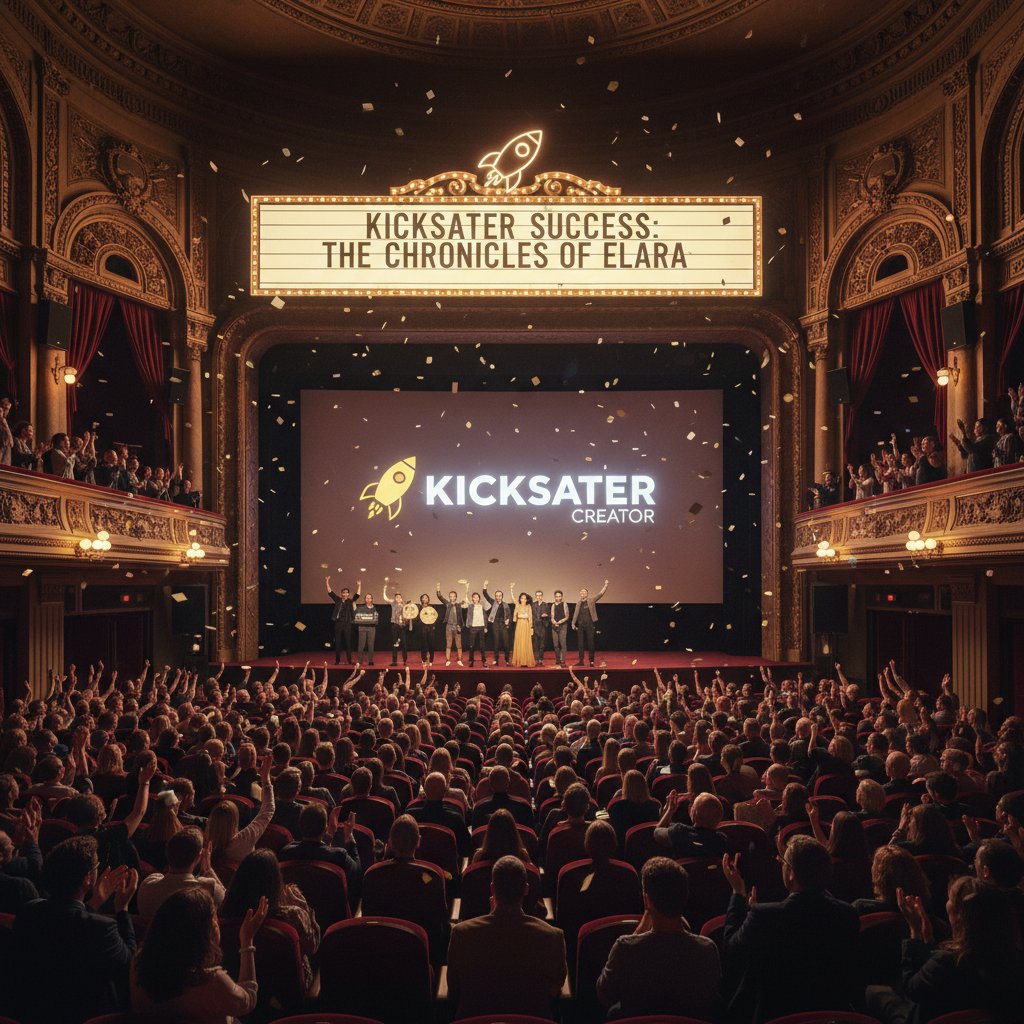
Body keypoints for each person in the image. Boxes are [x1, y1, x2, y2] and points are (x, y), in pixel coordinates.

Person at [722, 834, 860, 1023]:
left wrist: (738, 894)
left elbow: (731, 950)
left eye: (784, 863)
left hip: (773, 1013)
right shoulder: (848, 914)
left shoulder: (764, 916)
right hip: (830, 1013)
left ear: (792, 873)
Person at [13, 836, 139, 1024]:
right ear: (88, 878)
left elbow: (67, 922)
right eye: (96, 867)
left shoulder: (28, 911)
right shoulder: (102, 928)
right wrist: (122, 910)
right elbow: (130, 966)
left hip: (32, 1012)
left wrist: (94, 903)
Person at [866, 876, 1022, 1024]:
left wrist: (915, 932)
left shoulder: (947, 962)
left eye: (951, 899)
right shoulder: (1014, 959)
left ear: (959, 917)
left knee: (874, 992)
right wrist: (928, 939)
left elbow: (911, 988)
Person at [597, 856, 721, 1020]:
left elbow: (604, 995)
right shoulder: (707, 950)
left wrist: (637, 932)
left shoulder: (625, 948)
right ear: (685, 896)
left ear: (647, 900)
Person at [446, 855, 567, 1021]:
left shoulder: (461, 934)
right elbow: (555, 989)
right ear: (526, 889)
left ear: (492, 889)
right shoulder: (553, 937)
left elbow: (454, 989)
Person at [130, 887, 266, 1023]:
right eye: (214, 919)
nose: (217, 924)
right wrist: (247, 941)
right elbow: (248, 1000)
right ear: (204, 932)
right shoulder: (212, 982)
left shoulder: (138, 964)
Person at [220, 850, 320, 993]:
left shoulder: (222, 915)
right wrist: (304, 908)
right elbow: (313, 946)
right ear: (276, 881)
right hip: (287, 993)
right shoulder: (292, 915)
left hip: (238, 986)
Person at [278, 802, 362, 906]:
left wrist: (329, 835)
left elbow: (311, 851)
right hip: (330, 912)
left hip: (298, 909)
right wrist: (349, 835)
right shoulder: (339, 856)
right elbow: (357, 872)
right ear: (325, 828)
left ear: (300, 826)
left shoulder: (285, 853)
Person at [136, 826, 226, 917]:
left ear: (167, 853)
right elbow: (225, 901)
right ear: (199, 857)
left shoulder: (147, 886)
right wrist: (209, 869)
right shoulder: (209, 888)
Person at [653, 791, 728, 859]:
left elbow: (656, 832)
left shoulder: (679, 831)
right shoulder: (722, 841)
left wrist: (670, 810)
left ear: (694, 813)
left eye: (693, 806)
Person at [572, 579, 609, 667]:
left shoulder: (591, 600)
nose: (583, 593)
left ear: (587, 594)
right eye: (581, 592)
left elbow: (600, 594)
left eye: (584, 592)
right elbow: (575, 614)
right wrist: (573, 623)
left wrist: (606, 585)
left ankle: (591, 661)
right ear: (580, 594)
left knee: (591, 643)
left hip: (590, 624)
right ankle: (581, 661)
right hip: (580, 625)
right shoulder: (578, 603)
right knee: (580, 644)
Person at [325, 575, 360, 665]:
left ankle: (349, 660)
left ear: (348, 594)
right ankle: (337, 660)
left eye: (346, 592)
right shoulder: (338, 600)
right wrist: (327, 581)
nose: (345, 594)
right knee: (338, 642)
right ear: (341, 594)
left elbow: (357, 595)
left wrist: (359, 585)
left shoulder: (350, 601)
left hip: (347, 624)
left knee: (348, 642)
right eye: (343, 592)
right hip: (338, 623)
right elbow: (330, 592)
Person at [382, 578, 410, 666]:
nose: (398, 598)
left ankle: (405, 661)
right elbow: (385, 598)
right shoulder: (393, 603)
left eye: (399, 597)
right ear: (395, 598)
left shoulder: (405, 605)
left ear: (401, 598)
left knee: (404, 644)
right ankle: (394, 661)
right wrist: (384, 589)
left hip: (402, 626)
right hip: (395, 626)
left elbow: (409, 614)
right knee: (395, 644)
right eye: (396, 597)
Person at [483, 581, 512, 666]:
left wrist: (508, 621)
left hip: (503, 625)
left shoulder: (506, 605)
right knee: (496, 643)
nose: (498, 597)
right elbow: (486, 595)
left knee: (506, 643)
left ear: (502, 597)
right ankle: (496, 659)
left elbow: (510, 616)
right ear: (495, 597)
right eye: (497, 596)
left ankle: (507, 660)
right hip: (495, 624)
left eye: (500, 596)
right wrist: (485, 586)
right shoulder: (493, 603)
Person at [436, 583, 465, 666]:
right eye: (450, 596)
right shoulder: (447, 604)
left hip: (457, 627)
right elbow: (440, 597)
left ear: (456, 597)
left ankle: (459, 660)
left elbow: (465, 603)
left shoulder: (459, 605)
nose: (452, 598)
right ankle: (448, 660)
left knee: (459, 645)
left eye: (453, 596)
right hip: (449, 626)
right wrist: (438, 589)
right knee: (448, 644)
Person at [464, 589, 489, 668]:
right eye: (474, 597)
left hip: (481, 627)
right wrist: (466, 590)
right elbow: (465, 600)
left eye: (477, 597)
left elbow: (485, 617)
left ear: (479, 598)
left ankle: (484, 661)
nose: (476, 598)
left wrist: (485, 627)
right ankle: (471, 661)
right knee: (472, 645)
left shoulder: (482, 606)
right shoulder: (470, 606)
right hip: (473, 627)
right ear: (472, 598)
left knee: (482, 646)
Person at [511, 590, 535, 668]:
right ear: (520, 599)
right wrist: (511, 589)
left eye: (525, 598)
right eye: (522, 598)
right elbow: (513, 599)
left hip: (526, 625)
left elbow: (530, 617)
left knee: (526, 642)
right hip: (519, 625)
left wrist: (531, 627)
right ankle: (519, 661)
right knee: (519, 641)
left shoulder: (528, 606)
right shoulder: (518, 605)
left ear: (527, 599)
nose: (523, 600)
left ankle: (526, 661)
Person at [354, 592, 378, 666]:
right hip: (362, 628)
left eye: (370, 598)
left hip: (371, 628)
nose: (368, 599)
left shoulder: (374, 608)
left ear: (372, 599)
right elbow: (357, 618)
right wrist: (368, 619)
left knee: (371, 645)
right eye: (367, 598)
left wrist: (367, 619)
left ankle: (370, 660)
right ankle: (360, 661)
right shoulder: (361, 608)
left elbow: (375, 620)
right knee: (361, 645)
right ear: (365, 599)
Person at [415, 592, 437, 666]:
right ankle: (423, 659)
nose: (424, 599)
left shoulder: (431, 607)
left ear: (428, 599)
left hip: (430, 628)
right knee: (423, 644)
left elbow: (434, 617)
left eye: (426, 598)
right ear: (421, 599)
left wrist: (433, 625)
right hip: (422, 628)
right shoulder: (419, 607)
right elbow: (417, 617)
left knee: (431, 644)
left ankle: (431, 660)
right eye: (423, 598)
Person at [550, 589, 570, 668]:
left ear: (561, 597)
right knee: (555, 644)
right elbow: (552, 616)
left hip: (563, 626)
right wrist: (554, 622)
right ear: (554, 597)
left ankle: (562, 660)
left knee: (563, 643)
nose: (558, 598)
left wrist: (560, 622)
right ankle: (557, 659)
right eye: (556, 596)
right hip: (555, 626)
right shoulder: (553, 605)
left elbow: (567, 616)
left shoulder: (564, 604)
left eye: (559, 596)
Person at [531, 589, 550, 665]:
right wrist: (531, 625)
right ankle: (536, 659)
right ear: (535, 596)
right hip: (535, 625)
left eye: (540, 595)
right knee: (535, 644)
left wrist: (546, 616)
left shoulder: (546, 605)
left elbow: (549, 615)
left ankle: (541, 659)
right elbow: (531, 615)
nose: (538, 597)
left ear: (542, 596)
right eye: (537, 595)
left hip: (542, 626)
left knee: (542, 644)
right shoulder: (532, 605)